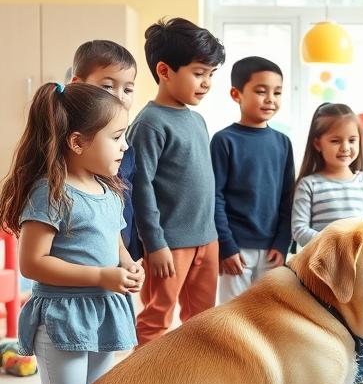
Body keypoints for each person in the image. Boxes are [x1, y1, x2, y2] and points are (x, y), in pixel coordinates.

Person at [0, 83, 142, 384]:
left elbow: (114, 239)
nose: (125, 146)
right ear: (78, 142)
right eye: (116, 137)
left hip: (103, 311)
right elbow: (33, 263)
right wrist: (100, 276)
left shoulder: (109, 190)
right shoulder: (51, 192)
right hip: (63, 315)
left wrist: (127, 265)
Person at [126, 17, 225, 345]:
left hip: (206, 240)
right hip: (169, 245)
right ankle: (146, 376)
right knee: (156, 319)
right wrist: (155, 245)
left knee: (203, 321)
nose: (206, 83)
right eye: (199, 73)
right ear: (165, 71)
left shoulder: (197, 120)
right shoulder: (149, 124)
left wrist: (213, 237)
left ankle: (193, 373)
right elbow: (140, 188)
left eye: (211, 74)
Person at [291, 103, 363, 384]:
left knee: (362, 318)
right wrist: (333, 247)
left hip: (359, 270)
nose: (345, 147)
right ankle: (325, 375)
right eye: (336, 140)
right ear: (317, 143)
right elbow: (299, 229)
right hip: (323, 270)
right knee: (325, 322)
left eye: (352, 140)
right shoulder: (309, 185)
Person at [210, 56, 294, 303]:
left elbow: (288, 197)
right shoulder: (224, 140)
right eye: (260, 91)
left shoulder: (283, 143)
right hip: (236, 249)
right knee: (233, 315)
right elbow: (214, 196)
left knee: (270, 312)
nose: (270, 99)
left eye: (277, 92)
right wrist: (227, 245)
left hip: (273, 250)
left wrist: (283, 243)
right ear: (236, 94)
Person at [69, 40, 141, 259]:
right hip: (84, 261)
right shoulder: (74, 147)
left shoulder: (126, 149)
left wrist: (129, 256)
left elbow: (125, 202)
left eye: (128, 89)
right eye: (108, 86)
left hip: (119, 253)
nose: (119, 96)